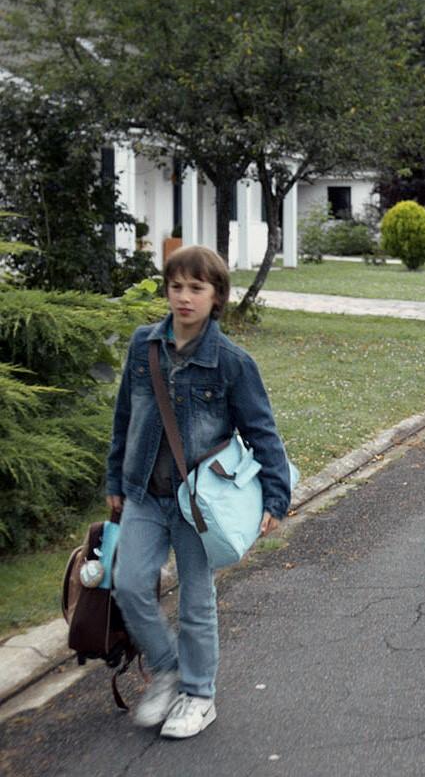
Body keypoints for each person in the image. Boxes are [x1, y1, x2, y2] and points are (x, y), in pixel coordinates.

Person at [107, 245, 293, 738]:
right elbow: (125, 418)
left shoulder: (231, 362)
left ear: (217, 297)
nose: (184, 297)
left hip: (196, 505)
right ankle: (167, 671)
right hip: (144, 493)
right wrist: (114, 482)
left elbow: (262, 433)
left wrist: (276, 498)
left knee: (195, 601)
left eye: (197, 288)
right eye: (176, 287)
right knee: (128, 583)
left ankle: (198, 695)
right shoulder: (143, 346)